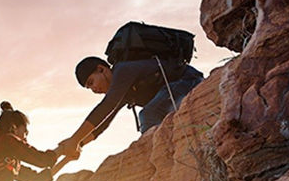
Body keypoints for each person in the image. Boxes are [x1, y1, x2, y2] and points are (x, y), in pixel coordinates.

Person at [57, 54, 204, 157]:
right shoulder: (123, 90)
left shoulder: (122, 71)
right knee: (150, 115)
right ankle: (162, 155)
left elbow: (105, 106)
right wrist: (79, 144)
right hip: (174, 93)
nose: (94, 89)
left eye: (91, 82)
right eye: (89, 88)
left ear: (101, 69)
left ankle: (157, 158)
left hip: (188, 81)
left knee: (147, 114)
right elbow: (103, 123)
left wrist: (74, 139)